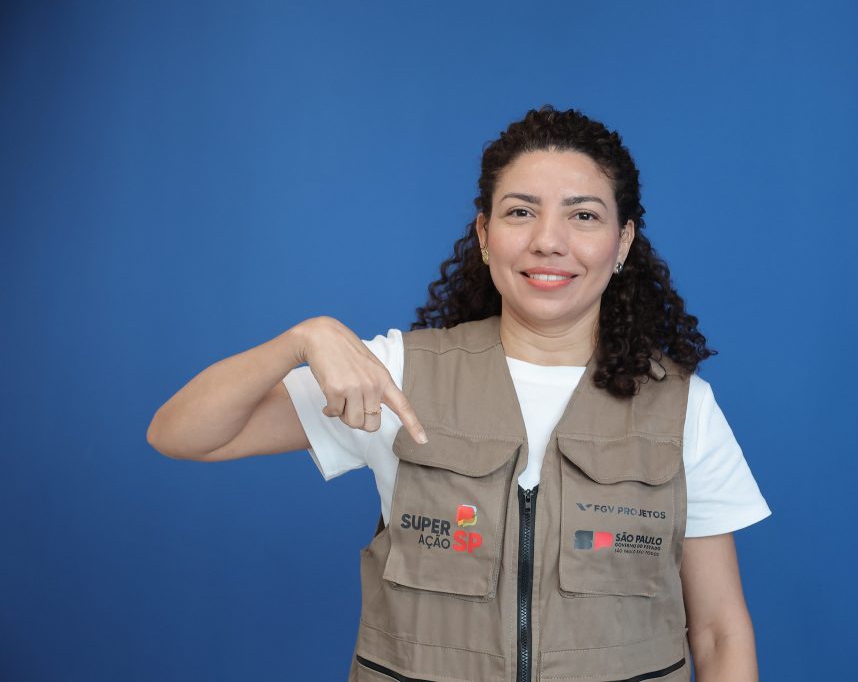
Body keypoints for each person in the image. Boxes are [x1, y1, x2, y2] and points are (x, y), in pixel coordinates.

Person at [148, 105, 771, 681]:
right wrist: (302, 338)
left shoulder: (682, 407)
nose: (548, 240)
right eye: (520, 212)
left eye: (583, 215)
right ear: (484, 233)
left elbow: (718, 632)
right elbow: (179, 433)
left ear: (623, 242)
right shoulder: (394, 375)